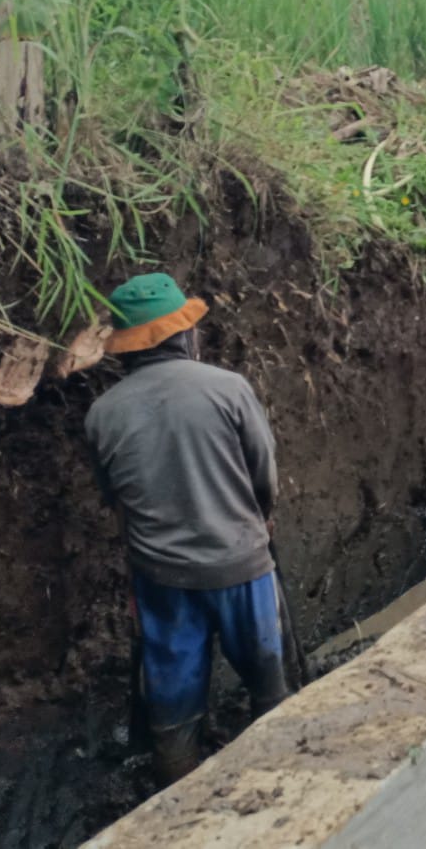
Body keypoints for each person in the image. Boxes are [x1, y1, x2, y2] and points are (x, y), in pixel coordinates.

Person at [85, 273, 286, 784]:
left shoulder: (102, 414)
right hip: (241, 566)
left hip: (162, 579)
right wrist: (261, 515)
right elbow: (263, 473)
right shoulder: (228, 388)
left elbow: (117, 500)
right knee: (270, 690)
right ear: (184, 334)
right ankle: (278, 779)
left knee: (173, 707)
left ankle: (176, 790)